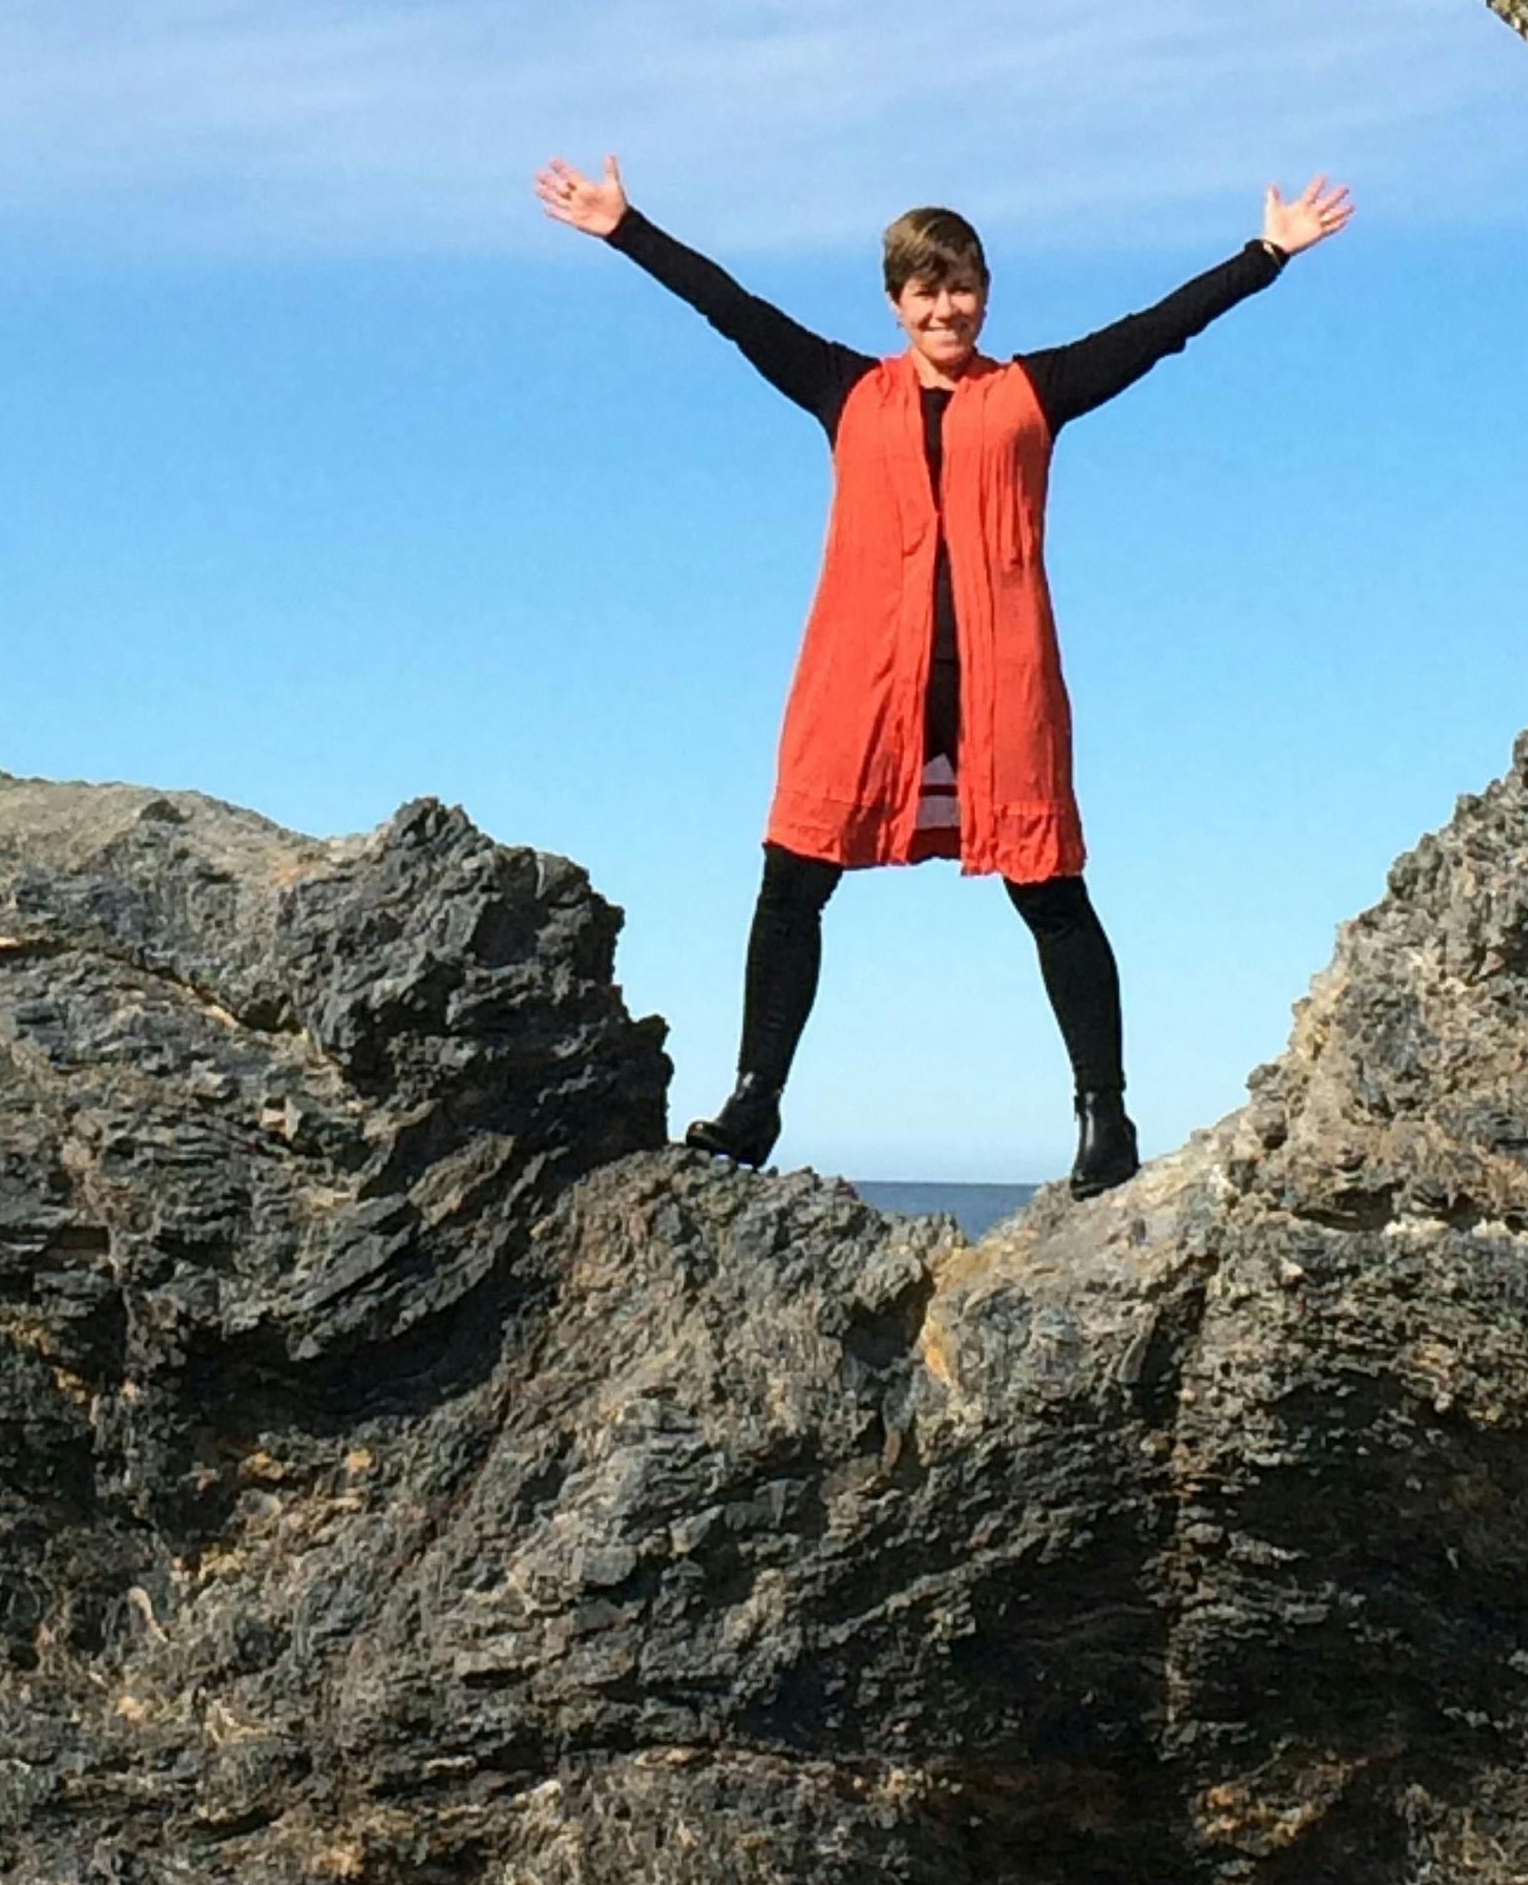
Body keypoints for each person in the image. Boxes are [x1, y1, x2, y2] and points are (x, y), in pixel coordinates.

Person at [533, 156, 1352, 1196]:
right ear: (895, 303)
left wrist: (1265, 255)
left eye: (960, 286)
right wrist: (624, 227)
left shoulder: (1030, 395)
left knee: (1050, 890)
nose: (945, 307)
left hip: (1000, 686)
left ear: (983, 294)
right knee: (792, 879)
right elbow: (732, 312)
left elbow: (1156, 331)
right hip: (859, 683)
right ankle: (752, 1102)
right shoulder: (845, 390)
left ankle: (1104, 1119)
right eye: (925, 290)